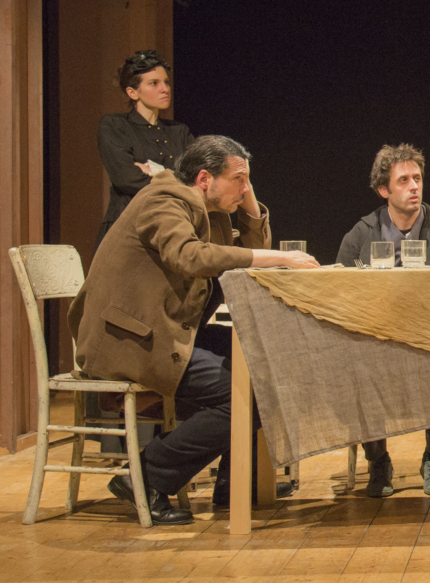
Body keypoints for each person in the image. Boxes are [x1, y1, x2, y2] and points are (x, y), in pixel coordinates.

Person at [67, 135, 319, 525]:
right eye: (238, 179)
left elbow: (244, 252)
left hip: (167, 331)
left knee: (267, 364)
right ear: (204, 179)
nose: (244, 188)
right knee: (245, 395)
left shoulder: (208, 209)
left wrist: (248, 200)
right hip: (132, 339)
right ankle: (146, 476)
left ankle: (235, 483)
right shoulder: (163, 200)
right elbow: (190, 256)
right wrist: (279, 257)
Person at [336, 143, 430, 497]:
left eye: (417, 178)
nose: (414, 186)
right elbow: (340, 288)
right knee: (356, 363)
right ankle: (378, 461)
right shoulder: (363, 233)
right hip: (378, 339)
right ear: (383, 190)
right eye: (404, 180)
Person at [95, 50, 194, 246]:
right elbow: (126, 178)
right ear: (132, 92)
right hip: (127, 225)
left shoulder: (179, 131)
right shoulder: (115, 125)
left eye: (166, 82)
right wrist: (176, 182)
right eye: (154, 83)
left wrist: (156, 173)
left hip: (173, 225)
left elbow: (196, 179)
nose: (165, 89)